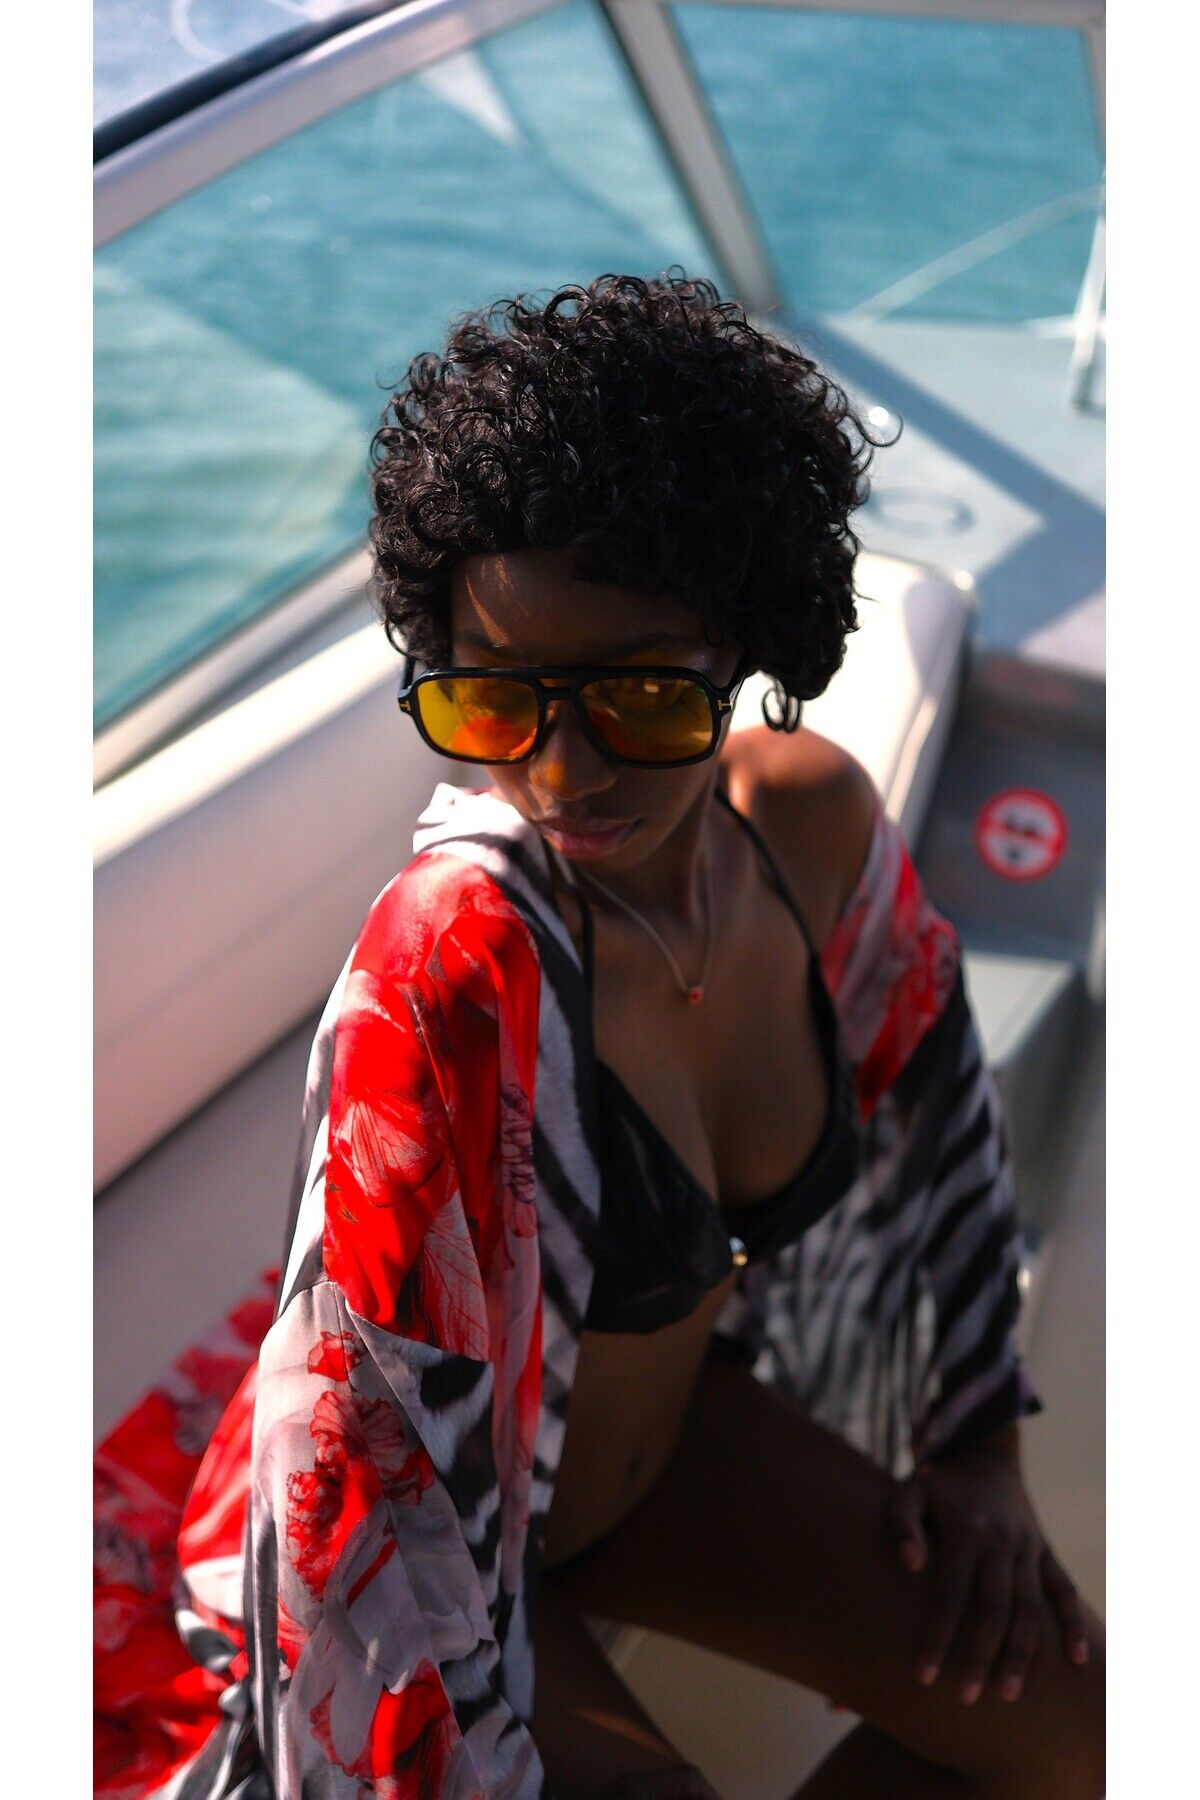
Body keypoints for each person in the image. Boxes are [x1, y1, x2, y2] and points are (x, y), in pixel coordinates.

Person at [102, 273, 1104, 1798]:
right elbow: (358, 1491)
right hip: (442, 1551)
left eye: (637, 694)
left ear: (740, 640)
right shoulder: (456, 965)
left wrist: (976, 1442)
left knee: (1093, 1730)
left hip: (666, 1458)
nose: (564, 773)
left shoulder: (811, 829)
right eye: (495, 704)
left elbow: (937, 1092)